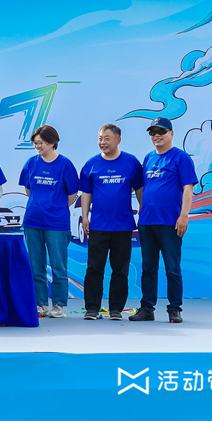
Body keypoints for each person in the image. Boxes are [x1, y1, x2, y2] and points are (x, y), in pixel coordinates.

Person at [129, 117, 197, 324]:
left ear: (171, 133)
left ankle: (175, 309)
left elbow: (188, 188)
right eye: (152, 132)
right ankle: (147, 309)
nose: (156, 135)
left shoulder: (181, 157)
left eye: (161, 131)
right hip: (147, 222)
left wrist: (184, 215)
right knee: (148, 268)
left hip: (170, 223)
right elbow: (142, 188)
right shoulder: (148, 158)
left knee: (172, 268)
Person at [79, 124, 143, 320]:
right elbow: (86, 192)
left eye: (107, 138)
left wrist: (143, 209)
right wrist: (85, 216)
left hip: (123, 226)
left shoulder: (131, 162)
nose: (102, 142)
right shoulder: (91, 164)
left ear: (118, 140)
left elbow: (139, 189)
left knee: (120, 269)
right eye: (100, 138)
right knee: (94, 268)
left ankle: (116, 309)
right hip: (98, 225)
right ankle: (92, 308)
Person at [19, 125, 78, 318]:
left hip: (56, 224)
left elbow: (72, 194)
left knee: (58, 265)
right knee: (36, 266)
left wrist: (56, 207)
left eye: (41, 143)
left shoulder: (65, 164)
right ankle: (41, 304)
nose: (37, 146)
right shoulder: (31, 162)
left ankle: (59, 304)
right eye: (35, 143)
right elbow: (28, 190)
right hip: (33, 221)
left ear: (52, 142)